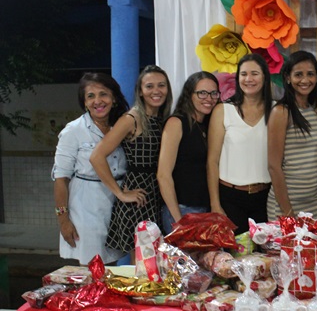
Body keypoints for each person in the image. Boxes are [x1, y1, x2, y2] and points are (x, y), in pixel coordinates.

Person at [91, 65, 172, 254]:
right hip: (140, 196)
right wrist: (120, 193)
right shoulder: (132, 118)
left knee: (157, 259)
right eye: (149, 86)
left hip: (159, 192)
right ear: (141, 92)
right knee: (143, 259)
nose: (156, 91)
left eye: (161, 85)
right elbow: (96, 157)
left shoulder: (163, 118)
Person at [52, 73, 129, 264]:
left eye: (103, 94)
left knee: (113, 268)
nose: (98, 101)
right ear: (84, 102)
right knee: (90, 269)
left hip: (117, 206)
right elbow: (61, 179)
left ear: (113, 98)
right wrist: (63, 220)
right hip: (86, 207)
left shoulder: (122, 127)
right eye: (90, 96)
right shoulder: (74, 130)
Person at [207, 54, 272, 234]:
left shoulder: (275, 110)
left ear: (264, 77)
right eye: (243, 74)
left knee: (265, 259)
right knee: (235, 259)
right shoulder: (223, 110)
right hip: (230, 198)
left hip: (266, 198)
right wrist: (215, 204)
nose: (248, 79)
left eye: (254, 74)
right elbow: (212, 161)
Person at [267, 51, 317, 221]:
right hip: (286, 204)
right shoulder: (281, 112)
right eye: (298, 75)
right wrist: (288, 213)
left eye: (310, 74)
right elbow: (274, 166)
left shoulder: (313, 112)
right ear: (287, 78)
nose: (305, 80)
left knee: (315, 248)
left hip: (315, 203)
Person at [157, 71, 219, 234]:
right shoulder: (176, 122)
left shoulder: (208, 124)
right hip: (182, 210)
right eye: (202, 93)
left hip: (205, 209)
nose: (209, 98)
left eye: (213, 93)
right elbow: (163, 175)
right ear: (189, 95)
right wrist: (179, 220)